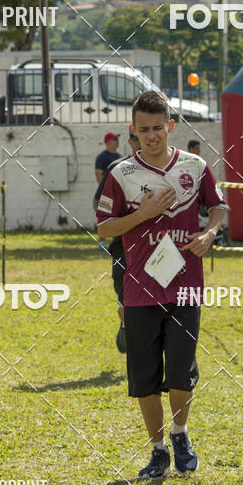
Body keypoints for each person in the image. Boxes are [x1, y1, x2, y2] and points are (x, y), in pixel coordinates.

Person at [96, 90, 227, 479]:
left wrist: (210, 232)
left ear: (170, 126)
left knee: (182, 370)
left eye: (158, 128)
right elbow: (104, 229)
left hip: (185, 285)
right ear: (132, 132)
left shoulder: (196, 165)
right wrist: (146, 212)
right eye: (144, 130)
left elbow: (218, 205)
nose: (152, 136)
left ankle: (180, 433)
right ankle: (157, 450)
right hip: (139, 290)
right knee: (145, 375)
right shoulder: (120, 174)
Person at [93, 131, 141, 354]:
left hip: (159, 249)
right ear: (131, 141)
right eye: (138, 137)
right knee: (127, 303)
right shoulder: (117, 168)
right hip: (123, 248)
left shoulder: (167, 170)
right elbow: (98, 203)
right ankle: (126, 323)